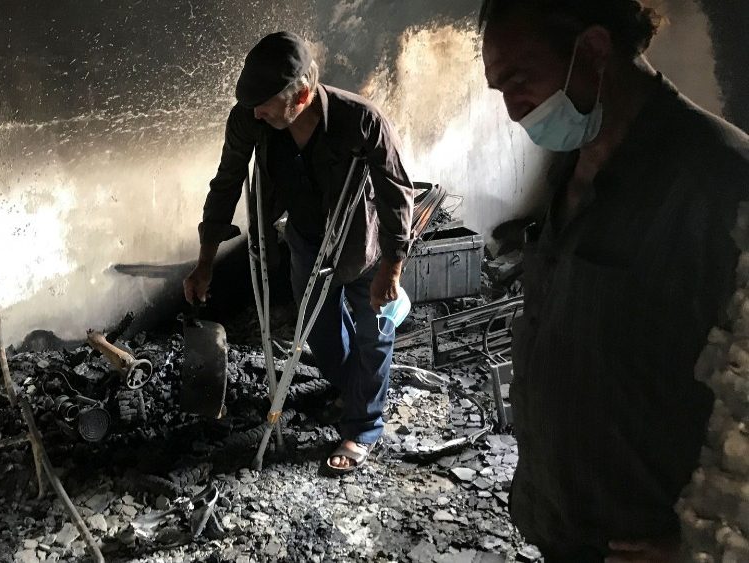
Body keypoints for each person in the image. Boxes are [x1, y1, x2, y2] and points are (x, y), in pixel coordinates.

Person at [479, 0, 749, 560]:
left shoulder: (723, 181)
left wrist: (702, 540)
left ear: (595, 50)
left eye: (519, 80)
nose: (512, 111)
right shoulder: (574, 164)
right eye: (498, 89)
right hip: (564, 524)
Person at [183, 31, 415, 474]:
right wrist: (204, 264)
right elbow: (227, 183)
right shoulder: (251, 119)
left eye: (266, 104)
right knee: (323, 335)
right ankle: (353, 389)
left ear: (302, 96)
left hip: (361, 240)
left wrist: (392, 266)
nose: (256, 113)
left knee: (373, 330)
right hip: (306, 239)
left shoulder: (361, 120)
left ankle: (362, 427)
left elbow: (396, 192)